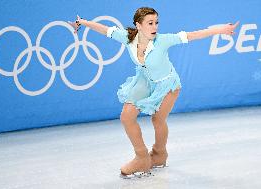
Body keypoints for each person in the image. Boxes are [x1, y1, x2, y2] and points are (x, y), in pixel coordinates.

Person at [68, 7, 239, 178]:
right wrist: (82, 22)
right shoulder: (128, 38)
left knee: (157, 119)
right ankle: (142, 157)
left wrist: (221, 29)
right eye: (150, 23)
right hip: (144, 80)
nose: (155, 27)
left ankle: (159, 154)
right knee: (126, 116)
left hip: (167, 84)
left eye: (156, 22)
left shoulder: (163, 40)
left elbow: (193, 35)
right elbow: (105, 30)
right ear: (139, 25)